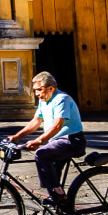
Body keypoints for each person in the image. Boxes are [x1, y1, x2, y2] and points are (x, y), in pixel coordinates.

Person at [10, 71, 86, 206]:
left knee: (42, 154)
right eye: (35, 91)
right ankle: (64, 207)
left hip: (71, 140)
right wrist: (17, 137)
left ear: (51, 88)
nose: (37, 94)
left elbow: (57, 126)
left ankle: (59, 195)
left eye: (40, 90)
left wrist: (39, 141)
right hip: (57, 142)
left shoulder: (61, 99)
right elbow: (36, 121)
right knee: (51, 172)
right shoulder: (43, 101)